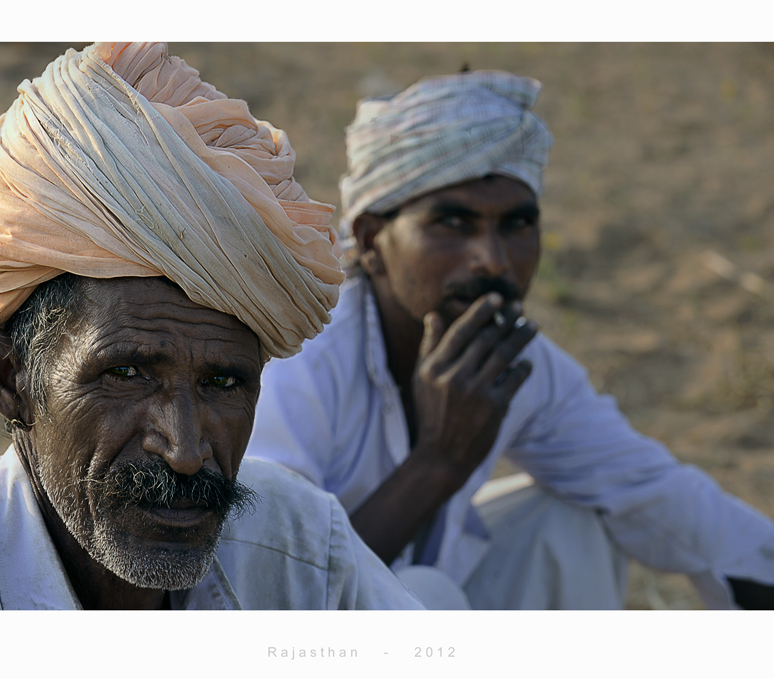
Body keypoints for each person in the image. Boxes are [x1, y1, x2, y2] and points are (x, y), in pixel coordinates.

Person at [0, 42, 424, 611]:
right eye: (127, 374)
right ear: (9, 379)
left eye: (223, 383)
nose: (185, 450)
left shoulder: (301, 544)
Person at [246, 69, 774, 609]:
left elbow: (653, 494)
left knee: (568, 524)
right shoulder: (302, 355)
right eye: (453, 223)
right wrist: (439, 460)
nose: (494, 260)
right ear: (372, 240)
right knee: (427, 596)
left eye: (517, 224)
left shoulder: (515, 361)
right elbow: (267, 585)